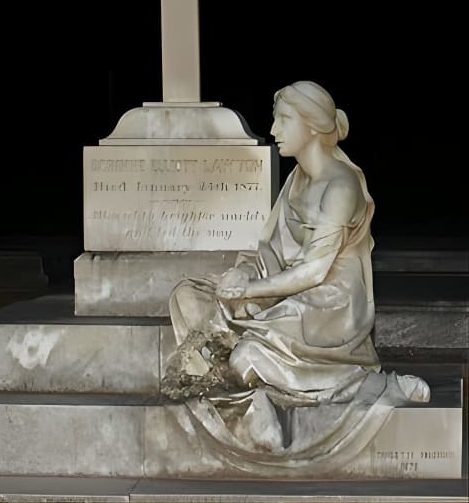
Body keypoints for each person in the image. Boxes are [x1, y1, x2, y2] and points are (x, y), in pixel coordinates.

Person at [160, 81, 429, 471]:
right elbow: (270, 251)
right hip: (283, 291)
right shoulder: (297, 179)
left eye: (283, 120)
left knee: (246, 357)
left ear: (313, 126)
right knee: (187, 296)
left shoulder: (341, 185)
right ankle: (243, 375)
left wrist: (249, 290)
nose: (274, 130)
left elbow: (314, 270)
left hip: (328, 302)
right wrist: (242, 273)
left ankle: (373, 385)